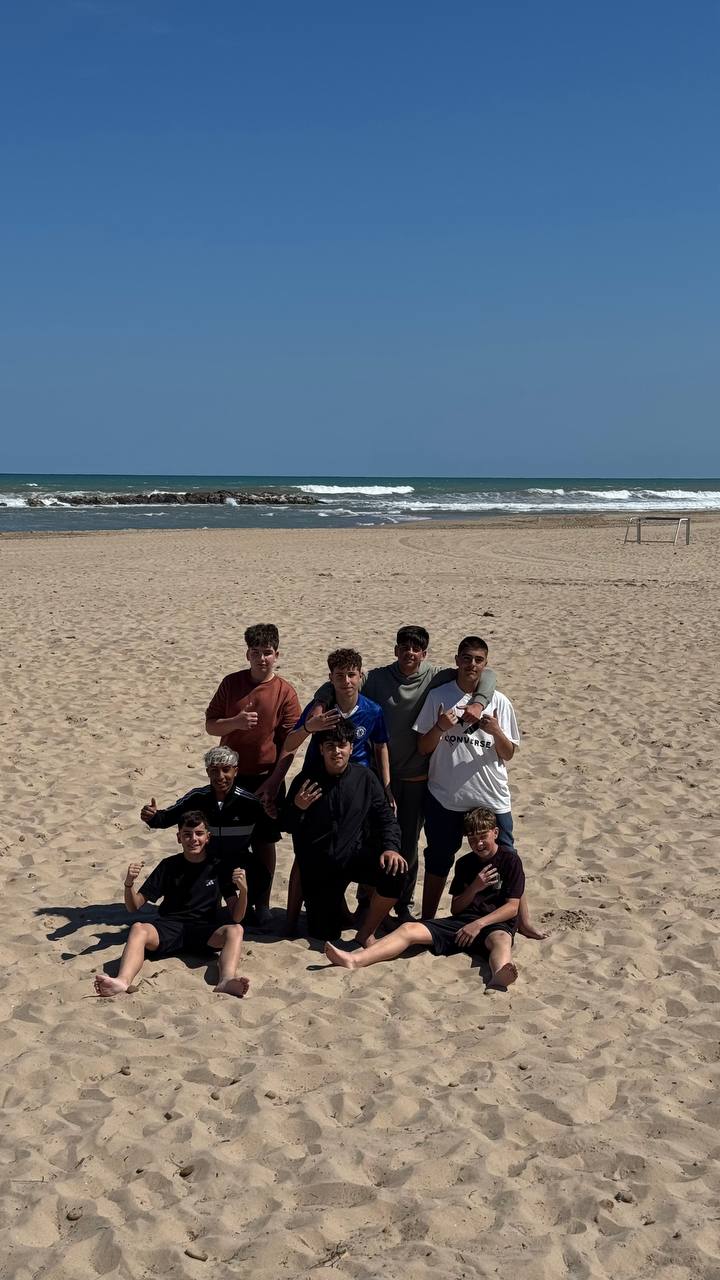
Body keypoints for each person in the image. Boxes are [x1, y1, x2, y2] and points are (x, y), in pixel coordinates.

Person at [310, 626, 496, 921]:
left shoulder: (435, 675)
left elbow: (487, 674)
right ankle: (367, 901)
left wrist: (478, 701)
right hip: (377, 777)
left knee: (408, 845)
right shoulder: (376, 678)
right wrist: (321, 702)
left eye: (416, 648)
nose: (410, 653)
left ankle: (401, 904)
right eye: (404, 647)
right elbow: (339, 681)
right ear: (396, 650)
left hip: (415, 778)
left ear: (424, 653)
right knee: (371, 840)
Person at [413, 634, 544, 939]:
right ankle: (427, 919)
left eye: (478, 660)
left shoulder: (500, 702)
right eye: (467, 658)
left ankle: (523, 921)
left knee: (508, 855)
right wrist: (441, 726)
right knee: (438, 858)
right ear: (457, 660)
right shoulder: (439, 696)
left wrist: (496, 730)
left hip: (491, 797)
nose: (472, 664)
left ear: (486, 664)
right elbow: (423, 747)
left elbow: (508, 753)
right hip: (446, 797)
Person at [325, 807, 523, 991]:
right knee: (408, 929)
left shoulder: (510, 860)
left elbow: (512, 908)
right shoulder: (465, 863)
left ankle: (499, 974)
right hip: (463, 924)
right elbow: (456, 908)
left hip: (494, 925)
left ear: (495, 833)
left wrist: (479, 924)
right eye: (472, 838)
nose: (478, 844)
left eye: (483, 836)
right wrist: (475, 887)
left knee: (501, 939)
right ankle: (355, 959)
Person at [93, 811, 250, 999]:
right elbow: (134, 906)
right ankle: (122, 980)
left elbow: (237, 916)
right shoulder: (168, 865)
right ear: (179, 838)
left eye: (199, 834)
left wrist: (244, 892)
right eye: (187, 834)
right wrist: (129, 884)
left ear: (208, 837)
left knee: (236, 930)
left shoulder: (218, 866)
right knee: (138, 928)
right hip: (169, 927)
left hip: (204, 930)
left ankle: (225, 980)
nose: (193, 839)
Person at [205, 624, 301, 925]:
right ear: (247, 654)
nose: (262, 658)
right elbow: (211, 725)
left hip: (265, 776)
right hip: (228, 776)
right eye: (256, 652)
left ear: (277, 655)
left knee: (264, 841)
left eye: (267, 653)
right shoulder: (231, 683)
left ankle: (262, 903)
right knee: (221, 841)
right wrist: (234, 722)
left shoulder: (285, 692)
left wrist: (274, 782)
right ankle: (219, 900)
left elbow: (290, 745)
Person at [280, 721, 408, 945]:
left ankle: (366, 931)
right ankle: (338, 912)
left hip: (354, 856)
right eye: (330, 746)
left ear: (351, 747)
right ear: (321, 749)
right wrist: (298, 808)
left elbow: (386, 818)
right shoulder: (306, 779)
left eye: (342, 745)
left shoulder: (365, 778)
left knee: (395, 871)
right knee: (325, 934)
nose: (336, 751)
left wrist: (391, 848)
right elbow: (286, 825)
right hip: (321, 867)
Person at [139, 746, 268, 915]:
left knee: (261, 874)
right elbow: (167, 817)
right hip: (204, 863)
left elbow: (268, 833)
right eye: (214, 771)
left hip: (236, 861)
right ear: (207, 772)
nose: (220, 776)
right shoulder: (197, 797)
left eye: (226, 770)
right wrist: (152, 816)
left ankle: (249, 909)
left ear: (235, 771)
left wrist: (273, 813)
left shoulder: (250, 803)